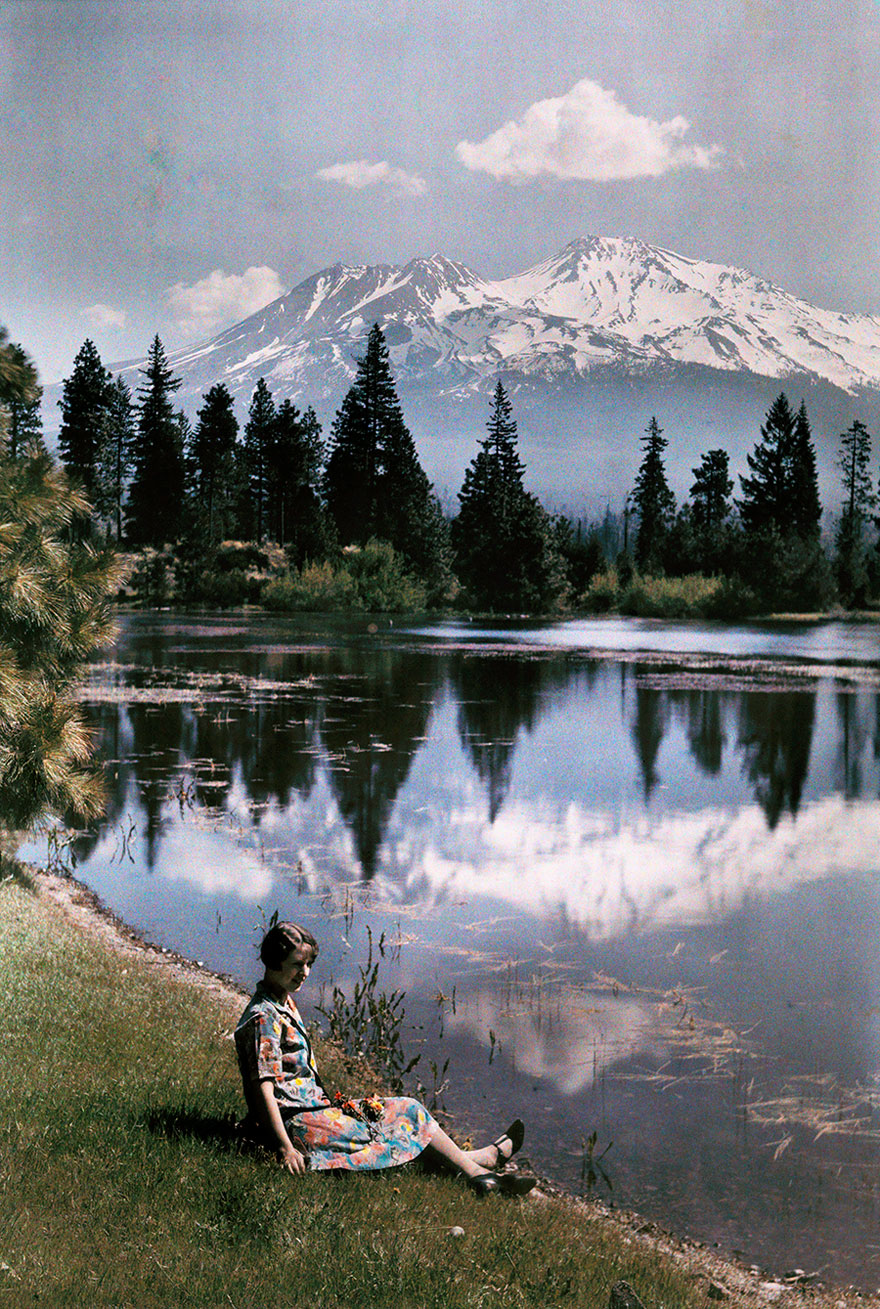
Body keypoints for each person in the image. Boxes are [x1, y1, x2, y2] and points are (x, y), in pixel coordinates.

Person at [235, 920, 536, 1197]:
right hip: (298, 1124)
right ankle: (480, 1170)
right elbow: (262, 1088)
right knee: (401, 1118)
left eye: (308, 964)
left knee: (398, 1113)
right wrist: (285, 1149)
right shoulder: (263, 1018)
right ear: (274, 963)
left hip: (314, 1112)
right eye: (296, 965)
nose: (305, 973)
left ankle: (478, 1166)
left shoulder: (281, 1001)